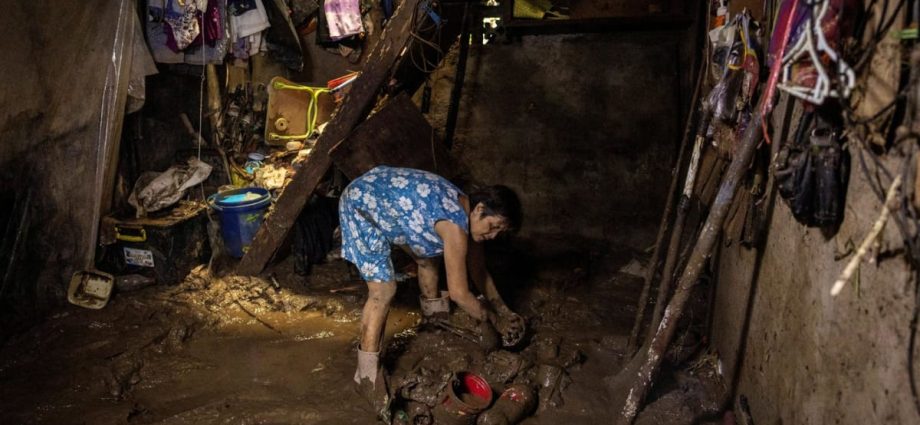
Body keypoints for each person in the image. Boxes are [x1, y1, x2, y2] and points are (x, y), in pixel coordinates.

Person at [338, 165, 524, 403]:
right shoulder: (455, 227)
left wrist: (504, 310)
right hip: (361, 204)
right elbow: (459, 293)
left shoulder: (467, 213)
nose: (495, 235)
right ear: (480, 210)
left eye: (501, 231)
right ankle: (366, 376)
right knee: (383, 291)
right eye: (494, 226)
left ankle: (434, 323)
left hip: (385, 199)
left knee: (427, 259)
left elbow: (479, 271)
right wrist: (493, 320)